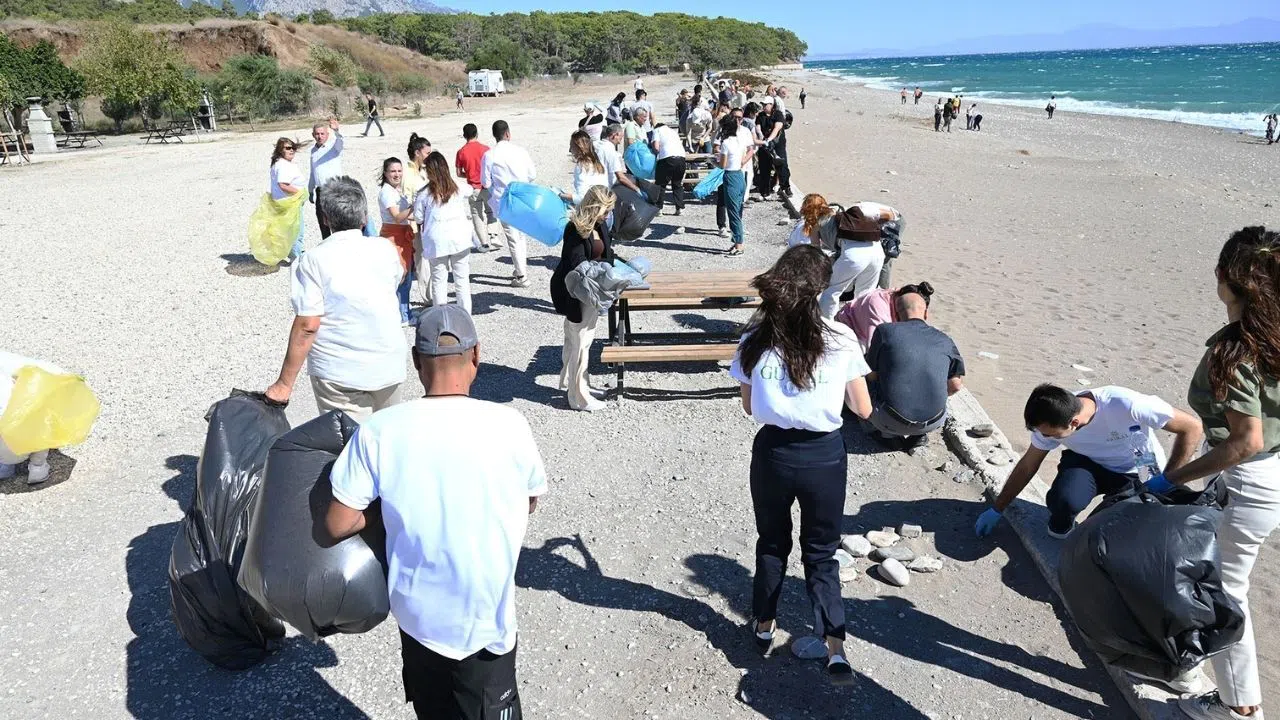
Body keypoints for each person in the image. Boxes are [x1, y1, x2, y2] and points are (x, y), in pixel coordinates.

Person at [324, 304, 547, 720]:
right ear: (476, 355)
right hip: (486, 627)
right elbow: (529, 499)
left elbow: (337, 522)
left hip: (417, 622)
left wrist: (386, 506)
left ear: (415, 361)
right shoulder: (510, 424)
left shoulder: (379, 431)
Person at [1149, 227, 1280, 720]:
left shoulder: (1237, 352)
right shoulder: (1274, 337)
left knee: (1225, 597)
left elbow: (1245, 442)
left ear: (1226, 278)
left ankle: (1240, 707)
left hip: (1247, 481)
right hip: (1270, 477)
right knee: (1223, 588)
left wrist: (1173, 479)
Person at [730, 245, 873, 687]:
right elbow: (864, 410)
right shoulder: (840, 338)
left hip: (773, 452)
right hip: (824, 456)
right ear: (819, 289)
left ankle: (763, 626)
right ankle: (834, 645)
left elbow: (750, 407)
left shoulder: (755, 340)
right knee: (821, 552)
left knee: (772, 543)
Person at [974, 384, 1203, 539]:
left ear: (1073, 423)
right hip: (1087, 461)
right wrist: (998, 508)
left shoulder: (1127, 404)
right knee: (1065, 502)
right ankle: (1063, 526)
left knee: (1106, 531)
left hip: (1138, 463)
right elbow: (1027, 465)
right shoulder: (1051, 422)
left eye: (1051, 435)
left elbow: (1192, 427)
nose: (1044, 438)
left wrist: (1168, 479)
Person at [265, 176, 405, 420]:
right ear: (364, 216)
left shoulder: (311, 261)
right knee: (386, 441)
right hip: (388, 363)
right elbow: (399, 276)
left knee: (350, 447)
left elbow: (308, 325)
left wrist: (284, 383)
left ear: (326, 218)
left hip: (339, 371)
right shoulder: (386, 250)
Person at [864, 284, 965, 452]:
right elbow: (955, 386)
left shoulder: (885, 331)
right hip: (934, 421)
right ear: (926, 313)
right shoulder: (945, 340)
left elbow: (871, 375)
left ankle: (883, 433)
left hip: (889, 420)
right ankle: (919, 435)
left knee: (861, 375)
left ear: (895, 314)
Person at [550, 187, 616, 412]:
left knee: (584, 342)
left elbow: (607, 254)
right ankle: (578, 398)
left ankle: (582, 386)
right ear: (595, 207)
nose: (608, 215)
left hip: (593, 293)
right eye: (606, 211)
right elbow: (575, 264)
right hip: (577, 294)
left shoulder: (599, 225)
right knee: (580, 343)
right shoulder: (575, 229)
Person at [791, 195, 884, 316]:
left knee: (832, 291)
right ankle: (863, 325)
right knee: (865, 294)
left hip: (854, 255)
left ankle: (827, 324)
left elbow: (816, 252)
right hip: (877, 250)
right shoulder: (840, 212)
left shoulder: (815, 224)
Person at [413, 152, 474, 314]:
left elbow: (418, 217)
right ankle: (465, 317)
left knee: (439, 281)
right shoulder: (457, 188)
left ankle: (441, 319)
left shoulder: (424, 193)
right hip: (459, 238)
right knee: (462, 281)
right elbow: (471, 189)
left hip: (436, 241)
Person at [481, 120, 537, 288]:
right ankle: (520, 268)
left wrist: (496, 189)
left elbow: (485, 182)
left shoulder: (490, 155)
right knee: (520, 235)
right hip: (522, 196)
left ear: (494, 135)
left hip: (504, 199)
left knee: (513, 237)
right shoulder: (521, 151)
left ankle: (521, 275)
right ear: (508, 134)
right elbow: (532, 174)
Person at [376, 157, 417, 324]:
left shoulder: (397, 191)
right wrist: (414, 206)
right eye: (393, 171)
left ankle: (404, 311)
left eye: (399, 171)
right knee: (400, 275)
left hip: (402, 234)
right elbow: (397, 216)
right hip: (393, 235)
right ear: (385, 173)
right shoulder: (387, 192)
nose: (397, 174)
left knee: (406, 274)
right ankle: (402, 315)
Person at [456, 123, 500, 254]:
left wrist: (469, 174)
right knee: (491, 211)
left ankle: (484, 244)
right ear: (477, 133)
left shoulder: (461, 152)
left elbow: (459, 173)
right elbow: (493, 168)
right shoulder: (486, 149)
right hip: (486, 186)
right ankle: (494, 235)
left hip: (472, 188)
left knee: (477, 215)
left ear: (464, 136)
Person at [717, 114, 754, 255]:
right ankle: (736, 241)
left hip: (731, 177)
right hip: (740, 175)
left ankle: (739, 245)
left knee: (733, 213)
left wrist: (715, 161)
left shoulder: (725, 143)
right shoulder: (739, 141)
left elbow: (723, 165)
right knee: (737, 210)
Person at [269, 137, 307, 262]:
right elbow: (283, 184)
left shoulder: (279, 163)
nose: (292, 151)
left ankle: (293, 252)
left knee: (289, 229)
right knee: (296, 230)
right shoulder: (283, 165)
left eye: (293, 148)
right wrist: (300, 192)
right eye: (288, 148)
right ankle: (296, 256)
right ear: (280, 150)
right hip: (290, 202)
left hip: (284, 202)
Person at [308, 117, 345, 239]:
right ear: (313, 135)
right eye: (317, 134)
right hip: (320, 191)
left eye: (322, 134)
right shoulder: (313, 151)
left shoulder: (333, 148)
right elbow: (313, 171)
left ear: (327, 134)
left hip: (334, 189)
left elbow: (340, 143)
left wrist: (337, 131)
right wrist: (310, 189)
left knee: (337, 221)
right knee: (322, 222)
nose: (320, 136)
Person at [560, 130, 609, 206]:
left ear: (579, 148)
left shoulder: (583, 166)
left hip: (592, 210)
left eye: (572, 147)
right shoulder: (598, 163)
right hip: (604, 206)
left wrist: (561, 195)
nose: (570, 150)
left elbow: (581, 198)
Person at [755, 97, 791, 198]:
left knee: (782, 165)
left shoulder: (778, 114)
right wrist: (763, 140)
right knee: (764, 166)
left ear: (771, 105)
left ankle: (785, 186)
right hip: (765, 143)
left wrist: (769, 139)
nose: (764, 106)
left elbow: (777, 128)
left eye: (766, 105)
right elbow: (758, 128)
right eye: (763, 104)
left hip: (777, 143)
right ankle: (765, 191)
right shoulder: (760, 116)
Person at [651, 122, 686, 216]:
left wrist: (653, 154)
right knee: (677, 184)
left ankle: (659, 209)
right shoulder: (673, 131)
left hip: (667, 158)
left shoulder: (657, 130)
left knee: (661, 184)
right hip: (681, 158)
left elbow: (656, 146)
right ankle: (680, 208)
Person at [595, 124, 640, 194]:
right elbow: (620, 177)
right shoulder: (612, 152)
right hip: (607, 188)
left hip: (595, 186)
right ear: (615, 135)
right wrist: (636, 189)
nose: (620, 142)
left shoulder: (596, 145)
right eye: (620, 137)